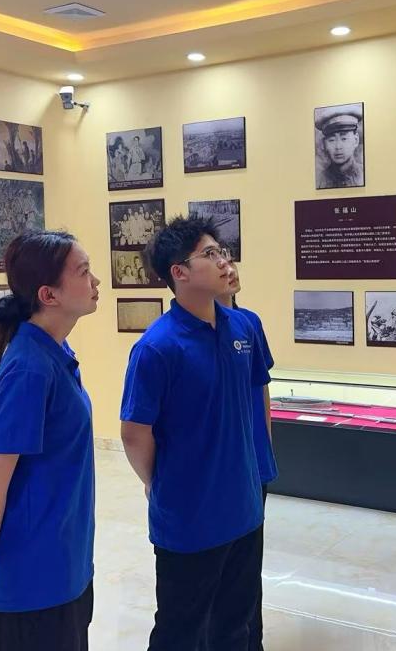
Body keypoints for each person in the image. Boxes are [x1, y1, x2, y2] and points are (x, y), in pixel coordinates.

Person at [120, 215, 268, 651]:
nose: (223, 261)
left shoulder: (242, 328)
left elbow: (254, 405)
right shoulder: (157, 347)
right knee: (181, 631)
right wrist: (158, 482)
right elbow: (134, 433)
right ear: (179, 273)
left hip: (243, 508)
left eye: (221, 251)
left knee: (236, 626)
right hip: (189, 516)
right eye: (209, 254)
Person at [0, 231, 100, 650]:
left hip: (67, 568)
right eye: (83, 272)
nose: (96, 281)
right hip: (34, 585)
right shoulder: (29, 369)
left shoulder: (55, 351)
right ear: (48, 295)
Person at [217, 261, 276, 651]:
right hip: (221, 467)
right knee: (220, 566)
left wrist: (265, 446)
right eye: (216, 258)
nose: (229, 267)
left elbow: (262, 388)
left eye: (229, 258)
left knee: (249, 563)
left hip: (254, 461)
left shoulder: (249, 323)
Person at [314, 106, 364, 189]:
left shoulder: (365, 173)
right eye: (332, 140)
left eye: (344, 139)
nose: (338, 147)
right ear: (324, 144)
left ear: (356, 140)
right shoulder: (319, 180)